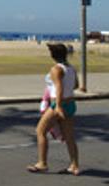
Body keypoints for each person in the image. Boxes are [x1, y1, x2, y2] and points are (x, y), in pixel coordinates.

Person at [28, 42, 80, 175]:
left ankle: (42, 163)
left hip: (59, 104)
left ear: (53, 55)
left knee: (40, 131)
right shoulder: (71, 68)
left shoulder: (56, 69)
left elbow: (59, 88)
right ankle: (74, 165)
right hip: (70, 103)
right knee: (69, 137)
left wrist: (57, 106)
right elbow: (75, 85)